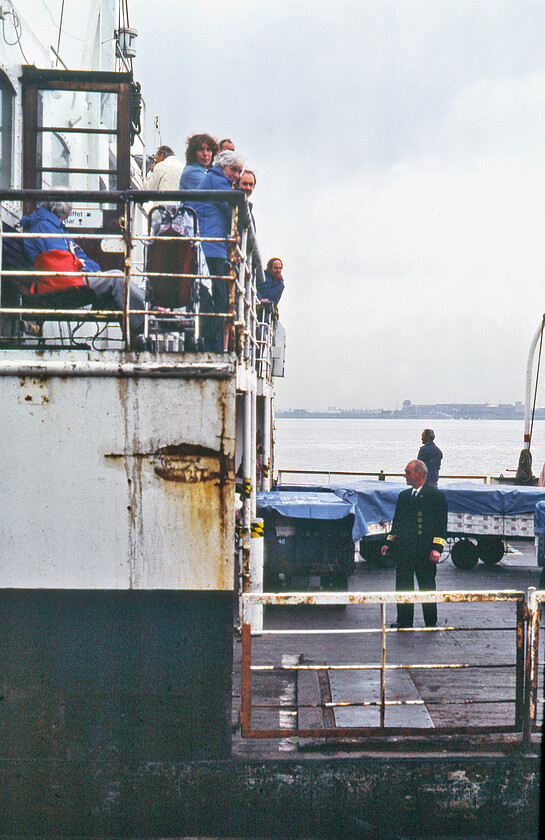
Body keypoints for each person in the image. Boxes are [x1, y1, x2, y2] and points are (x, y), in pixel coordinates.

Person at [21, 201, 145, 335]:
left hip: (68, 279)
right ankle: (147, 317)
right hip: (60, 284)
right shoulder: (44, 227)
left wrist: (92, 271)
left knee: (115, 282)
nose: (64, 220)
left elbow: (78, 256)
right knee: (116, 278)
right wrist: (89, 271)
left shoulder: (55, 227)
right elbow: (62, 262)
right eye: (64, 217)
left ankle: (138, 328)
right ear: (58, 213)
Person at [381, 459, 448, 629]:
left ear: (419, 474)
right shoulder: (404, 496)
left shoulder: (435, 496)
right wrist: (389, 542)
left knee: (426, 586)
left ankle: (430, 622)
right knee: (403, 586)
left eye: (407, 472)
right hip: (404, 550)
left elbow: (441, 526)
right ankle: (404, 620)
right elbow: (396, 523)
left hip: (424, 551)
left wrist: (437, 548)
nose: (405, 475)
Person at [190, 149, 244, 351]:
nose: (237, 175)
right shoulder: (217, 181)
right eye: (234, 170)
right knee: (222, 299)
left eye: (239, 171)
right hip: (212, 247)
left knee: (215, 296)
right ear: (223, 167)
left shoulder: (214, 179)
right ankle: (206, 339)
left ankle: (205, 338)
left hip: (212, 246)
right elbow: (230, 205)